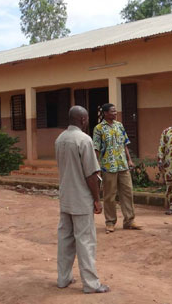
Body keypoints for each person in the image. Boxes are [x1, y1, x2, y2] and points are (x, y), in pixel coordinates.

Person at [55, 105, 110, 294]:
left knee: (65, 240)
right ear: (83, 120)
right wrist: (97, 200)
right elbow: (91, 175)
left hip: (65, 197)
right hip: (81, 199)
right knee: (85, 241)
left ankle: (63, 278)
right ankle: (91, 284)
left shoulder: (60, 139)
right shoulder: (84, 140)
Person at [93, 103, 143, 234]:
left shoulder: (119, 125)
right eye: (112, 111)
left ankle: (129, 221)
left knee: (127, 192)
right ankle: (110, 222)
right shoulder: (99, 129)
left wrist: (129, 160)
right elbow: (96, 148)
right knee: (109, 196)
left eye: (115, 111)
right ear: (105, 113)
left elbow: (124, 144)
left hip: (122, 165)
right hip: (108, 166)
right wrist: (96, 165)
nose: (115, 113)